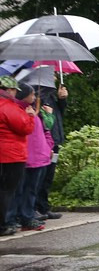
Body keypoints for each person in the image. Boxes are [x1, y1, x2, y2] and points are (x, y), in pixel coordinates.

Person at [8, 86, 52, 231]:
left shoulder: (34, 110)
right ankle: (15, 217)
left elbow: (45, 129)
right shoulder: (18, 110)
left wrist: (48, 147)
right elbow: (26, 129)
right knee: (18, 190)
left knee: (31, 189)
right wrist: (30, 117)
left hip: (40, 156)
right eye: (32, 94)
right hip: (25, 157)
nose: (34, 97)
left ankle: (27, 216)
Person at [0, 77, 36, 236]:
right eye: (14, 90)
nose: (16, 93)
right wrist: (30, 116)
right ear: (8, 90)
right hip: (11, 155)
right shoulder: (8, 107)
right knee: (7, 191)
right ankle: (2, 225)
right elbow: (25, 128)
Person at [33, 70, 66, 220]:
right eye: (51, 75)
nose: (54, 77)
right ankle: (35, 208)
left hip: (55, 140)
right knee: (40, 176)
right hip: (45, 142)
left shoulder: (52, 94)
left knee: (49, 176)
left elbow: (60, 114)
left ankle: (44, 206)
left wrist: (62, 100)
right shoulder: (39, 94)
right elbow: (44, 119)